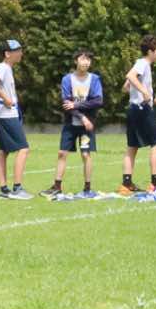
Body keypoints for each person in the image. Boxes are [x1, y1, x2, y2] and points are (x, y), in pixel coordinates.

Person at [47, 49, 104, 199]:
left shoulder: (94, 79)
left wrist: (77, 106)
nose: (86, 62)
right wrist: (81, 116)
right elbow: (66, 104)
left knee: (85, 154)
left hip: (86, 127)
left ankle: (87, 188)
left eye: (88, 60)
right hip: (71, 124)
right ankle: (57, 186)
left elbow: (98, 101)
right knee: (62, 153)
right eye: (83, 59)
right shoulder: (67, 79)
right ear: (75, 61)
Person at [0, 40, 30, 200]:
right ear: (7, 54)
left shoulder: (6, 68)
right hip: (6, 114)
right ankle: (17, 188)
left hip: (4, 113)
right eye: (17, 51)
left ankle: (4, 190)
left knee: (3, 151)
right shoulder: (3, 68)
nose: (20, 53)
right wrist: (5, 98)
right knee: (23, 149)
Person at [121, 35, 156, 197]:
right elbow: (130, 76)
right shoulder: (143, 63)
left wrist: (135, 88)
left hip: (133, 109)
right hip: (142, 109)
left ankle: (126, 184)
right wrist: (144, 91)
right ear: (150, 51)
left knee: (132, 146)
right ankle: (155, 184)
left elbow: (126, 86)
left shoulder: (141, 64)